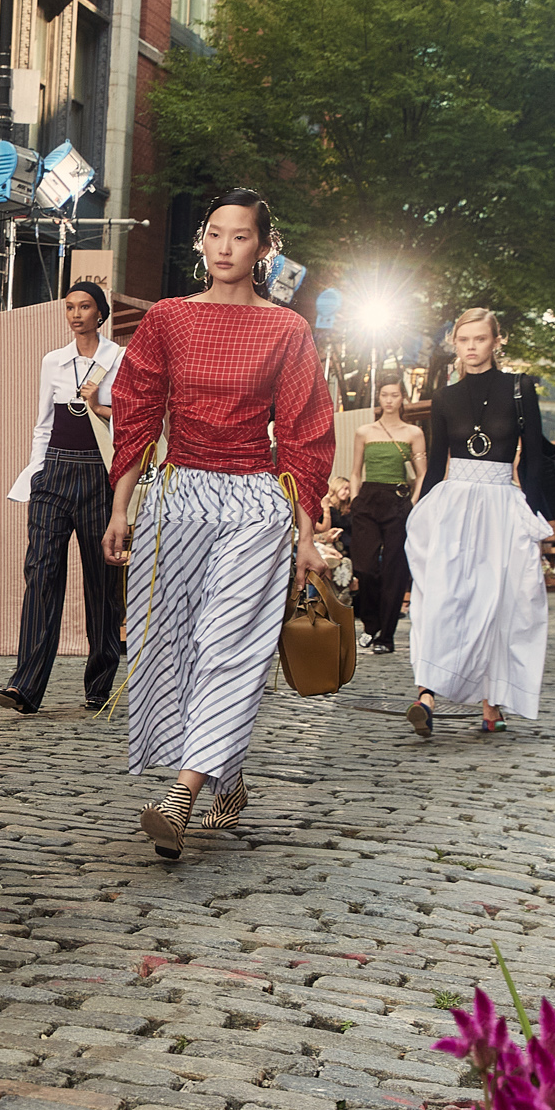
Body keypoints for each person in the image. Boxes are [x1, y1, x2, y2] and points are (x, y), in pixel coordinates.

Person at [104, 189, 334, 858]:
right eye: (215, 234)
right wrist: (121, 507)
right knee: (176, 646)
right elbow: (137, 415)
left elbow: (304, 436)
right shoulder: (169, 319)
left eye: (241, 236)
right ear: (201, 243)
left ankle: (181, 795)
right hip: (177, 499)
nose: (226, 247)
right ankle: (227, 785)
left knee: (227, 644)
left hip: (254, 504)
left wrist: (307, 535)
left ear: (265, 247)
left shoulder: (287, 330)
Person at [403, 308, 555, 738]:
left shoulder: (520, 388)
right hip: (454, 503)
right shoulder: (445, 396)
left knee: (503, 600)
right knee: (442, 596)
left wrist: (534, 515)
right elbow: (435, 466)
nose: (472, 347)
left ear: (496, 341)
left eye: (480, 339)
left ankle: (492, 704)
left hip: (504, 504)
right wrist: (420, 515)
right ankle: (426, 695)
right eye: (464, 340)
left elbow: (537, 456)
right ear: (455, 344)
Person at [0, 281, 124, 712]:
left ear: (100, 314)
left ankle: (100, 680)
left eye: (84, 307)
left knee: (101, 582)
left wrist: (99, 407)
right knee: (41, 573)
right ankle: (25, 686)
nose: (75, 314)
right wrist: (36, 472)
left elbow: (136, 425)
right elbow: (43, 423)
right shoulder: (53, 361)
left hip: (99, 477)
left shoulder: (121, 360)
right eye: (69, 307)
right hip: (53, 473)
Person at [348, 373, 421, 653]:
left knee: (394, 567)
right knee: (363, 566)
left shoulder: (413, 433)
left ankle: (385, 636)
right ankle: (370, 622)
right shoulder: (364, 432)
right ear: (378, 398)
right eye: (384, 395)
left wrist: (412, 503)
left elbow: (422, 474)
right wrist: (355, 498)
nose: (389, 400)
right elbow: (355, 471)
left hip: (398, 498)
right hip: (367, 497)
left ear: (403, 398)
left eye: (394, 395)